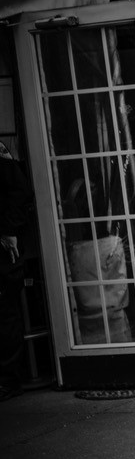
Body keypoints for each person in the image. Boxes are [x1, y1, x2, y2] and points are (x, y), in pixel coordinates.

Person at [0, 140, 35, 402]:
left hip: (3, 242)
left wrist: (9, 230)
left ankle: (8, 378)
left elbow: (19, 190)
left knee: (5, 310)